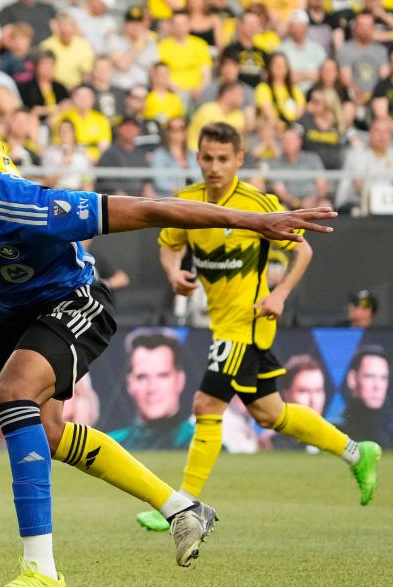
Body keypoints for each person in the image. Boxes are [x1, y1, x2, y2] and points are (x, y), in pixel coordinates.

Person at [0, 20, 320, 587]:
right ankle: (181, 509)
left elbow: (152, 210)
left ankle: (41, 573)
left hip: (70, 300)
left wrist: (258, 220)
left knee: (17, 396)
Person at [139, 122, 380, 534]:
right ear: (197, 158)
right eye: (207, 158)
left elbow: (302, 250)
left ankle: (182, 505)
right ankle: (358, 453)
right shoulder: (188, 201)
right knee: (272, 414)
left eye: (223, 159)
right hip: (223, 326)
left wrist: (281, 293)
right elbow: (168, 243)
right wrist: (172, 272)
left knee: (206, 406)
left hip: (248, 325)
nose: (215, 167)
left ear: (238, 160)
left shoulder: (257, 203)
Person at [108, 330, 194, 450]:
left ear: (180, 380)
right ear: (129, 383)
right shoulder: (111, 445)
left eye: (162, 375)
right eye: (142, 377)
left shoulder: (203, 446)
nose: (152, 388)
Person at [335, 117, 393, 214]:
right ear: (370, 133)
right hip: (352, 201)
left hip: (383, 203)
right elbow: (358, 185)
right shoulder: (357, 152)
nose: (382, 136)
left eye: (386, 132)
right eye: (378, 131)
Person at [262, 354, 328, 450]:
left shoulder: (338, 438)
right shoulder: (271, 443)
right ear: (286, 395)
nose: (313, 400)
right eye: (304, 391)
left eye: (318, 391)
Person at [337, 345, 391, 444]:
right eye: (369, 376)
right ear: (352, 379)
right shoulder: (336, 430)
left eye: (383, 378)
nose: (377, 386)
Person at [336, 11, 389, 111]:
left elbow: (384, 77)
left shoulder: (381, 50)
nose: (365, 29)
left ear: (373, 28)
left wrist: (373, 95)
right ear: (354, 28)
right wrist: (359, 94)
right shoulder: (345, 50)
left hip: (377, 97)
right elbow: (346, 79)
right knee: (349, 108)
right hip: (354, 97)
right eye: (362, 25)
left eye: (368, 26)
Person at [270, 126, 331, 210]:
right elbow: (280, 192)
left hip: (314, 200)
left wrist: (313, 199)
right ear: (281, 143)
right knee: (279, 210)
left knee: (326, 206)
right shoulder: (275, 163)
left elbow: (322, 184)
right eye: (285, 141)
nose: (288, 144)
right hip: (289, 205)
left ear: (299, 142)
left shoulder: (312, 158)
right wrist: (298, 203)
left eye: (291, 140)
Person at [157, 10, 212, 102]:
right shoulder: (162, 47)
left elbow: (206, 73)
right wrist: (180, 91)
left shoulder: (200, 44)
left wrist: (200, 88)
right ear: (171, 26)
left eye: (183, 23)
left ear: (189, 24)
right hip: (174, 91)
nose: (180, 27)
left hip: (198, 91)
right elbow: (163, 75)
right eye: (177, 24)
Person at [94, 116, 151, 196]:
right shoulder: (109, 154)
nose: (130, 130)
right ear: (119, 129)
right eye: (126, 126)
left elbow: (147, 184)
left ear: (138, 131)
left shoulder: (141, 155)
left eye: (134, 127)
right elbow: (109, 184)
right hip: (114, 200)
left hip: (138, 200)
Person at [107, 5, 159, 92]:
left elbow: (153, 71)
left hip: (143, 90)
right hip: (120, 89)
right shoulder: (114, 41)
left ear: (144, 25)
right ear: (125, 24)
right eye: (131, 22)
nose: (135, 27)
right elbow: (122, 65)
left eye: (139, 23)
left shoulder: (150, 44)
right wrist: (138, 45)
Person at [39, 11, 94, 90]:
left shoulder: (84, 45)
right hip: (52, 87)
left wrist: (81, 88)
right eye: (62, 27)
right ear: (57, 28)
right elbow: (43, 73)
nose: (65, 30)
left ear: (74, 28)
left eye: (68, 27)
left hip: (76, 89)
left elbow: (86, 73)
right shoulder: (46, 45)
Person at [277, 10, 326, 94]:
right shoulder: (281, 49)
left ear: (306, 27)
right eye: (294, 26)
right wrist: (309, 75)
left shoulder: (317, 49)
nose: (297, 29)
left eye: (300, 26)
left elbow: (324, 75)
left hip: (314, 92)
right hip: (288, 92)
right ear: (289, 28)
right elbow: (279, 75)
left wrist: (302, 75)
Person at [298, 88, 348, 170]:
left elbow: (352, 142)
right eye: (311, 100)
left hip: (336, 170)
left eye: (316, 102)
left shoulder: (339, 124)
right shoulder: (304, 121)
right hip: (310, 170)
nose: (311, 103)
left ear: (328, 104)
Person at [16, 49, 69, 124]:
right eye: (45, 64)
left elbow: (66, 105)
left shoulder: (60, 87)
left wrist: (43, 110)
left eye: (51, 64)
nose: (49, 67)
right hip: (36, 124)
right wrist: (56, 109)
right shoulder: (26, 88)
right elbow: (29, 111)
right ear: (37, 66)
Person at [151, 117, 200, 196]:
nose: (178, 132)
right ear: (167, 132)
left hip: (191, 198)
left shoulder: (192, 155)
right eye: (173, 129)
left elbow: (199, 178)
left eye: (182, 128)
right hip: (168, 199)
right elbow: (160, 182)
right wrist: (180, 190)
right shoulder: (159, 154)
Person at [40, 119, 93, 191]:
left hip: (78, 192)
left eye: (68, 131)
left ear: (73, 133)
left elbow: (88, 182)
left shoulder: (83, 153)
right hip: (58, 192)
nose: (65, 134)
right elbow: (49, 183)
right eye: (62, 131)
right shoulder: (51, 153)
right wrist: (62, 166)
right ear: (58, 133)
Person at [255, 52, 305, 125]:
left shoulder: (295, 89)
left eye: (283, 64)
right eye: (276, 64)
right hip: (273, 128)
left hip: (293, 129)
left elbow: (300, 112)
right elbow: (269, 115)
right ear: (270, 67)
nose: (279, 67)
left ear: (287, 68)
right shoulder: (263, 88)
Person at [222, 10, 269, 88]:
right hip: (236, 93)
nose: (252, 27)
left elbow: (266, 76)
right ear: (240, 25)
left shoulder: (262, 53)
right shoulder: (230, 50)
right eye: (249, 24)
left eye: (255, 24)